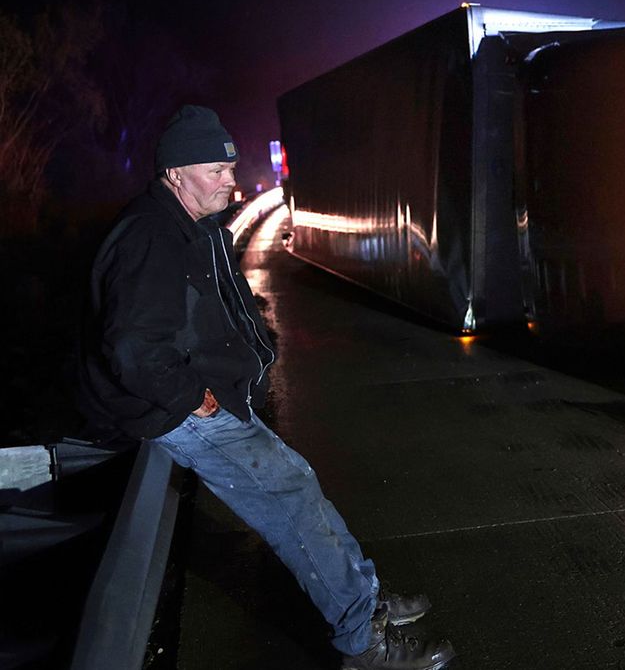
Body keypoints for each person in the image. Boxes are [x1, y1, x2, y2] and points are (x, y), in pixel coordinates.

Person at [75, 106, 455, 670]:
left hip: (206, 394)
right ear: (173, 173)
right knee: (289, 500)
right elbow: (132, 348)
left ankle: (366, 599)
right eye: (215, 169)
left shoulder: (194, 224)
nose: (230, 180)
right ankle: (363, 643)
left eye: (230, 167)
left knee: (297, 484)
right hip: (174, 407)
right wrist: (190, 399)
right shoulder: (153, 237)